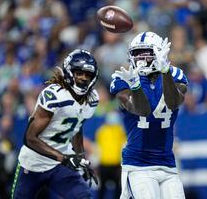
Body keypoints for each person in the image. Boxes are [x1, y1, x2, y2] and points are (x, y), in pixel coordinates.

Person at [11, 49, 99, 199]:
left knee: (84, 197)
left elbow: (77, 128)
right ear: (69, 72)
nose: (84, 78)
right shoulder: (55, 96)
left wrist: (81, 160)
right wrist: (64, 158)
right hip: (32, 164)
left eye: (88, 74)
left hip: (59, 167)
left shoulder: (92, 99)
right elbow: (29, 138)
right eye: (79, 73)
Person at [110, 31, 188, 199]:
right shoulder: (124, 78)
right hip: (138, 165)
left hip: (167, 164)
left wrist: (165, 70)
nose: (140, 58)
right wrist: (135, 85)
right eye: (136, 54)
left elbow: (174, 102)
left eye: (145, 53)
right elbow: (142, 110)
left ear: (159, 52)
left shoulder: (175, 75)